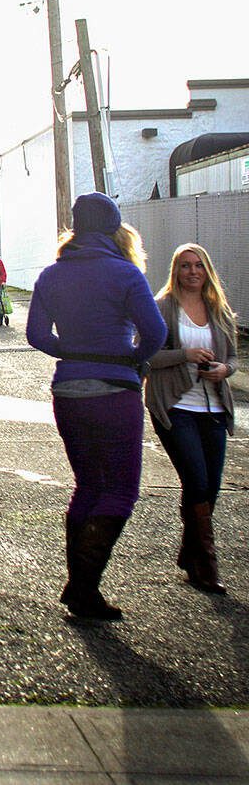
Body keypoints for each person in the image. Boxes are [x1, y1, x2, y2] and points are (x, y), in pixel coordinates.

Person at [26, 193, 166, 620]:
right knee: (121, 490)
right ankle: (83, 588)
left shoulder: (51, 275)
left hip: (68, 391)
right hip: (115, 392)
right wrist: (131, 358)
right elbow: (156, 333)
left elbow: (36, 335)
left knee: (87, 485)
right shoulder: (126, 273)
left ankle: (81, 587)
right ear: (113, 227)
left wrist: (71, 349)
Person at [145, 244, 237, 595]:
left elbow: (233, 359)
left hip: (213, 409)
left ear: (207, 270)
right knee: (197, 482)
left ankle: (190, 549)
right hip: (176, 407)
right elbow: (147, 354)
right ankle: (205, 565)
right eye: (185, 266)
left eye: (199, 265)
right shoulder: (162, 307)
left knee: (210, 487)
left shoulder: (218, 309)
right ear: (175, 270)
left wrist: (223, 369)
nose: (193, 271)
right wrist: (185, 354)